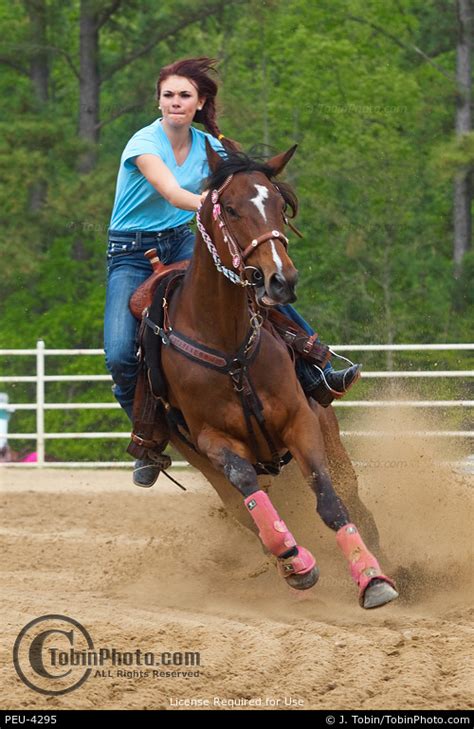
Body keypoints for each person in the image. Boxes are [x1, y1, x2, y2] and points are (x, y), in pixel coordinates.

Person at [104, 57, 360, 487]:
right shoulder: (143, 144)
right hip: (131, 252)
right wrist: (217, 204)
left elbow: (245, 183)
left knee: (257, 287)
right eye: (168, 95)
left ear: (199, 101)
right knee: (118, 350)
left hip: (183, 239)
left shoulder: (212, 146)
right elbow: (171, 191)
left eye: (185, 95)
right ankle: (148, 438)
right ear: (159, 101)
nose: (175, 102)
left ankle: (316, 364)